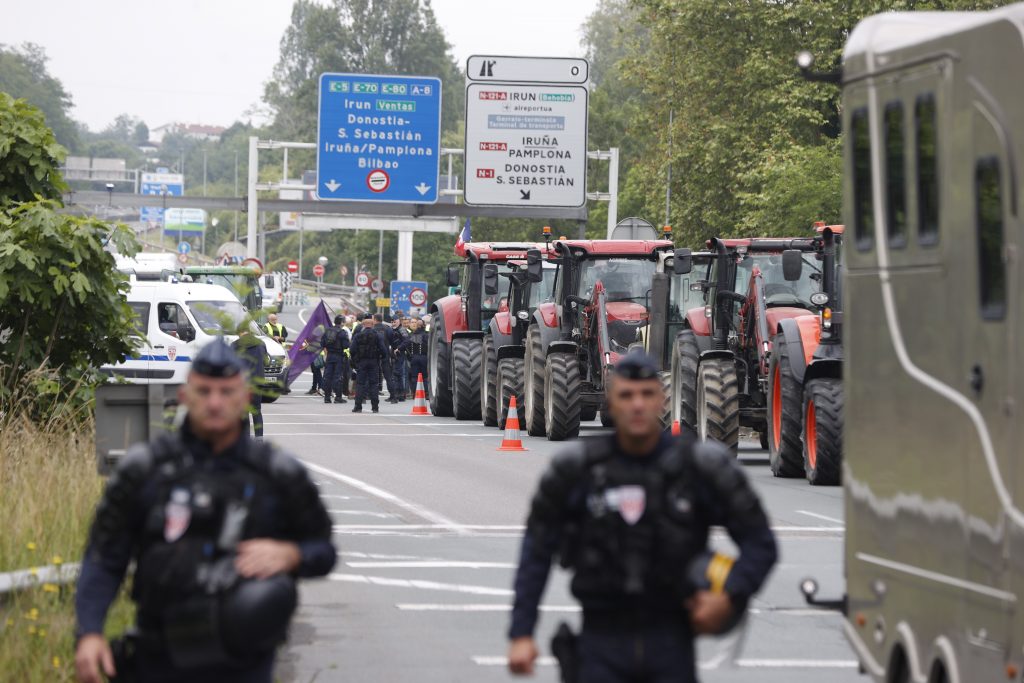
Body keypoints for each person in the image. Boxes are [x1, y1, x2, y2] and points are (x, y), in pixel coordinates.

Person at [74, 339, 336, 683]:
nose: (215, 402)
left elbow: (323, 550)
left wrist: (293, 555)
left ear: (245, 397)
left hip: (244, 666)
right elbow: (104, 558)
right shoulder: (146, 469)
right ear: (185, 396)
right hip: (159, 658)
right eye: (204, 391)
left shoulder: (277, 474)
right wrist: (89, 632)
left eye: (226, 392)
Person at [506, 353, 778, 683]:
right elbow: (536, 550)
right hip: (600, 645)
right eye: (626, 395)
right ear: (611, 402)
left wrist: (731, 596)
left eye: (647, 394)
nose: (637, 405)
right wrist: (521, 632)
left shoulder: (698, 468)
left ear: (661, 400)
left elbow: (760, 542)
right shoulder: (577, 469)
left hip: (671, 644)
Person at [350, 316, 389, 414]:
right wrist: (381, 357)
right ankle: (375, 407)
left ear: (363, 325)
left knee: (360, 384)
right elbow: (384, 350)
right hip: (374, 362)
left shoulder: (358, 336)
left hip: (362, 362)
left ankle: (358, 406)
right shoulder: (377, 336)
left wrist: (355, 360)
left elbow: (352, 350)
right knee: (374, 384)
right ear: (372, 325)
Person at [231, 330, 266, 439]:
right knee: (257, 411)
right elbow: (265, 360)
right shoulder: (260, 343)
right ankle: (259, 439)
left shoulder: (235, 345)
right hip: (257, 382)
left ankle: (246, 439)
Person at [320, 315, 349, 404]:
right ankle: (338, 397)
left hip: (329, 356)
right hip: (339, 356)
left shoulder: (327, 331)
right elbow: (346, 345)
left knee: (328, 376)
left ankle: (327, 397)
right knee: (338, 377)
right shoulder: (342, 332)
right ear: (341, 322)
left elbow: (322, 343)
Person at [390, 315, 411, 402]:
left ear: (398, 321)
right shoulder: (392, 330)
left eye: (394, 321)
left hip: (399, 353)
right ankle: (399, 394)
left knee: (398, 374)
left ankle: (399, 394)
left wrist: (399, 348)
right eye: (392, 322)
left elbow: (407, 341)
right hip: (394, 354)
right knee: (396, 374)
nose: (393, 323)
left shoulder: (402, 330)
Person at [407, 317, 429, 396]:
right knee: (425, 376)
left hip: (414, 358)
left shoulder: (413, 335)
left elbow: (407, 344)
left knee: (414, 376)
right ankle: (426, 393)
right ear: (424, 325)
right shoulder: (426, 335)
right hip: (424, 357)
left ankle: (415, 393)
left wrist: (399, 348)